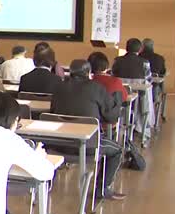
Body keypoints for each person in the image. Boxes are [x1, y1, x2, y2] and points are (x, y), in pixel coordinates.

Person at [51, 60, 126, 200]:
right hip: (88, 146)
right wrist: (117, 102)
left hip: (57, 144)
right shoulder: (96, 88)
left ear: (70, 72)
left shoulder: (59, 87)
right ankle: (102, 189)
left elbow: (53, 111)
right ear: (88, 73)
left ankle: (48, 185)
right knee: (117, 150)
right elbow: (111, 117)